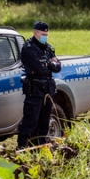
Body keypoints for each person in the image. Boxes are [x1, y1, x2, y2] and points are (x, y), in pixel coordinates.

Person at [18, 21, 61, 149]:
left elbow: (58, 67)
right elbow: (39, 69)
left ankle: (41, 146)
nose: (45, 36)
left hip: (47, 90)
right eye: (43, 34)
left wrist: (49, 65)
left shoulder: (48, 48)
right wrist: (50, 65)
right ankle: (22, 147)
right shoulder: (29, 48)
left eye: (47, 34)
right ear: (35, 33)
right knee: (30, 121)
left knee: (45, 121)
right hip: (35, 91)